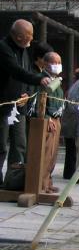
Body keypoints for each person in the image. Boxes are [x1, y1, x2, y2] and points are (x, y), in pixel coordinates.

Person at [0, 20, 51, 183]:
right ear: (20, 36)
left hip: (19, 105)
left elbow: (26, 72)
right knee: (1, 145)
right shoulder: (3, 48)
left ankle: (13, 181)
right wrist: (39, 80)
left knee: (19, 144)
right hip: (3, 105)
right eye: (29, 35)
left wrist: (27, 94)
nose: (32, 38)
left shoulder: (23, 49)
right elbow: (16, 71)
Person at [28, 51, 65, 193]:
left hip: (57, 118)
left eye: (59, 62)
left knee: (53, 154)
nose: (57, 65)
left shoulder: (56, 80)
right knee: (45, 153)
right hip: (47, 119)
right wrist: (46, 118)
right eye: (54, 63)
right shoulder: (42, 79)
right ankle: (41, 184)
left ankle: (48, 181)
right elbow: (38, 100)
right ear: (46, 64)